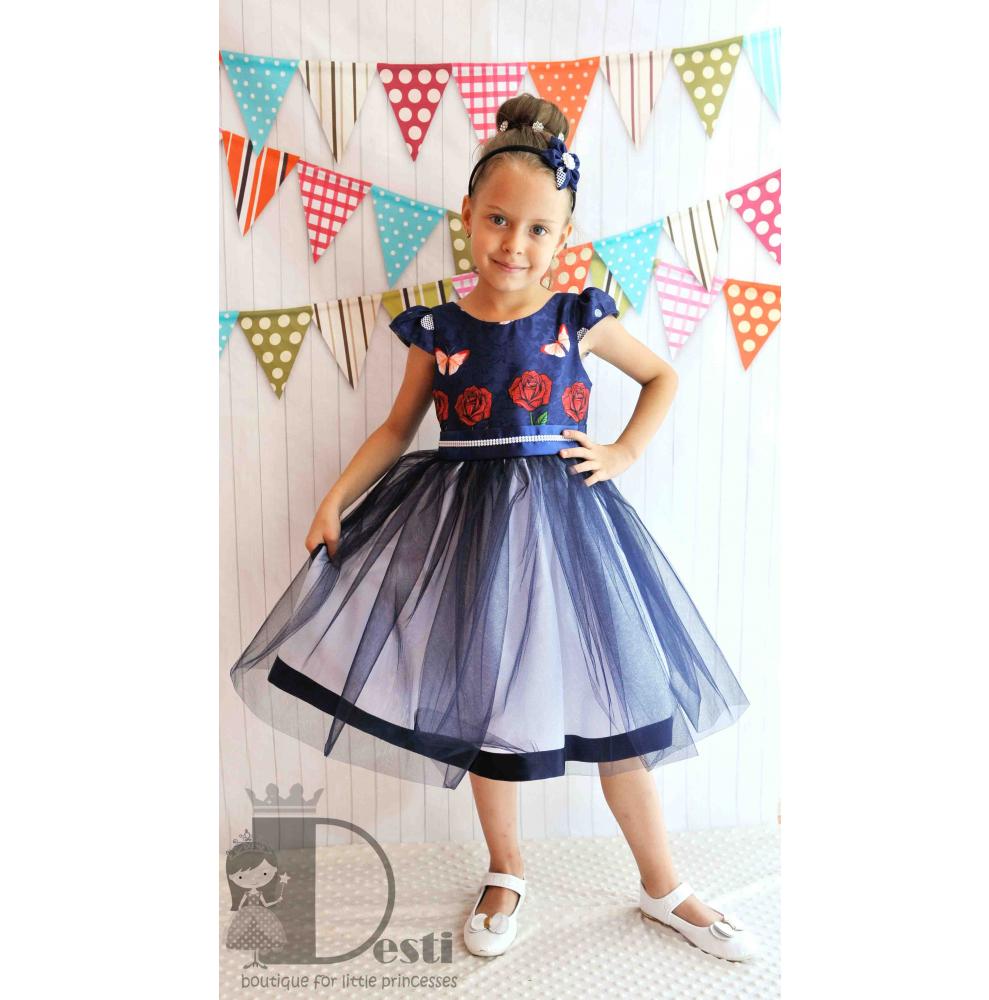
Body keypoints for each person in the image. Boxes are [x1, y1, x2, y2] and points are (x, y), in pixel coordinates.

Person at [229, 94, 757, 962]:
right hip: (468, 534)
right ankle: (506, 867)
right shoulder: (438, 326)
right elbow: (397, 428)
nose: (515, 243)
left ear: (564, 235)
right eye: (499, 220)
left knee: (616, 699)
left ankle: (664, 883)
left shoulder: (579, 316)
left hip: (573, 534)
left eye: (539, 229)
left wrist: (623, 450)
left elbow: (662, 378)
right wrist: (336, 498)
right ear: (468, 215)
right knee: (486, 704)